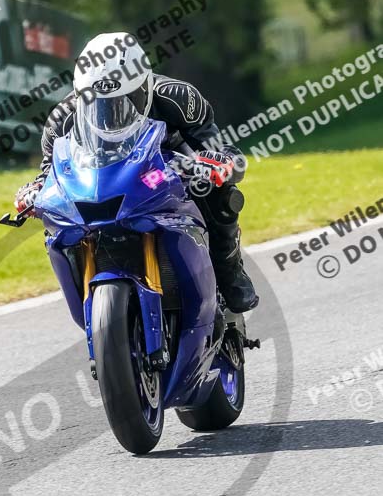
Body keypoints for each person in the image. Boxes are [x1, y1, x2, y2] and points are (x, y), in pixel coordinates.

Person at [14, 32, 258, 313]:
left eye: (125, 99)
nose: (112, 111)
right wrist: (35, 191)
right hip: (104, 183)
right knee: (57, 225)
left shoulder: (178, 97)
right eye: (98, 102)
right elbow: (51, 171)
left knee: (222, 194)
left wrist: (220, 162)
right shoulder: (61, 119)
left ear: (143, 85)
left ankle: (230, 272)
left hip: (163, 174)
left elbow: (213, 145)